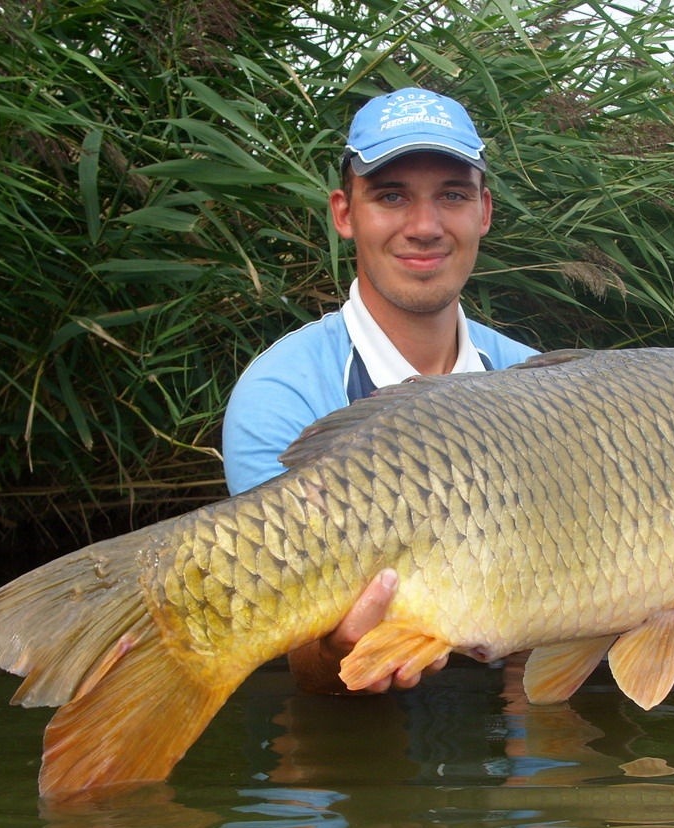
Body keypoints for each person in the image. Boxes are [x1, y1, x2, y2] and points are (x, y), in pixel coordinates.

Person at [223, 87, 537, 695]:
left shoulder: (538, 379)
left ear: (484, 212)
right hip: (358, 728)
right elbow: (295, 655)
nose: (425, 227)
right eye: (392, 196)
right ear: (345, 214)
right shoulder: (281, 392)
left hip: (514, 719)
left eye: (452, 195)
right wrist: (333, 656)